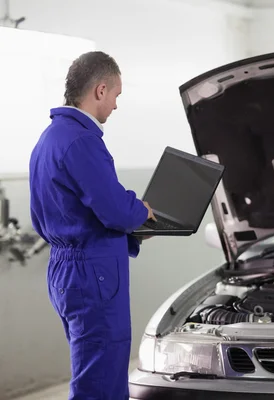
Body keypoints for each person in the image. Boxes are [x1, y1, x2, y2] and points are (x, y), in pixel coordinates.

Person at [28, 51, 155, 400]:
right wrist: (141, 211)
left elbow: (48, 215)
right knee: (100, 383)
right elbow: (115, 210)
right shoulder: (83, 141)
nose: (115, 105)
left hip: (67, 268)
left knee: (95, 371)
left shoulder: (50, 137)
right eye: (116, 95)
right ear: (100, 90)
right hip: (93, 273)